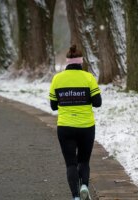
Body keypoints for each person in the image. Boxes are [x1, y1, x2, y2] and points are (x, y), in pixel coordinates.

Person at [49, 45, 102, 200]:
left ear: (67, 62)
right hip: (86, 127)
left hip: (65, 127)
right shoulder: (88, 78)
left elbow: (53, 106)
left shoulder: (57, 79)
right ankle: (84, 185)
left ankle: (75, 196)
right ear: (81, 62)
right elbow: (97, 102)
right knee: (84, 161)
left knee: (71, 164)